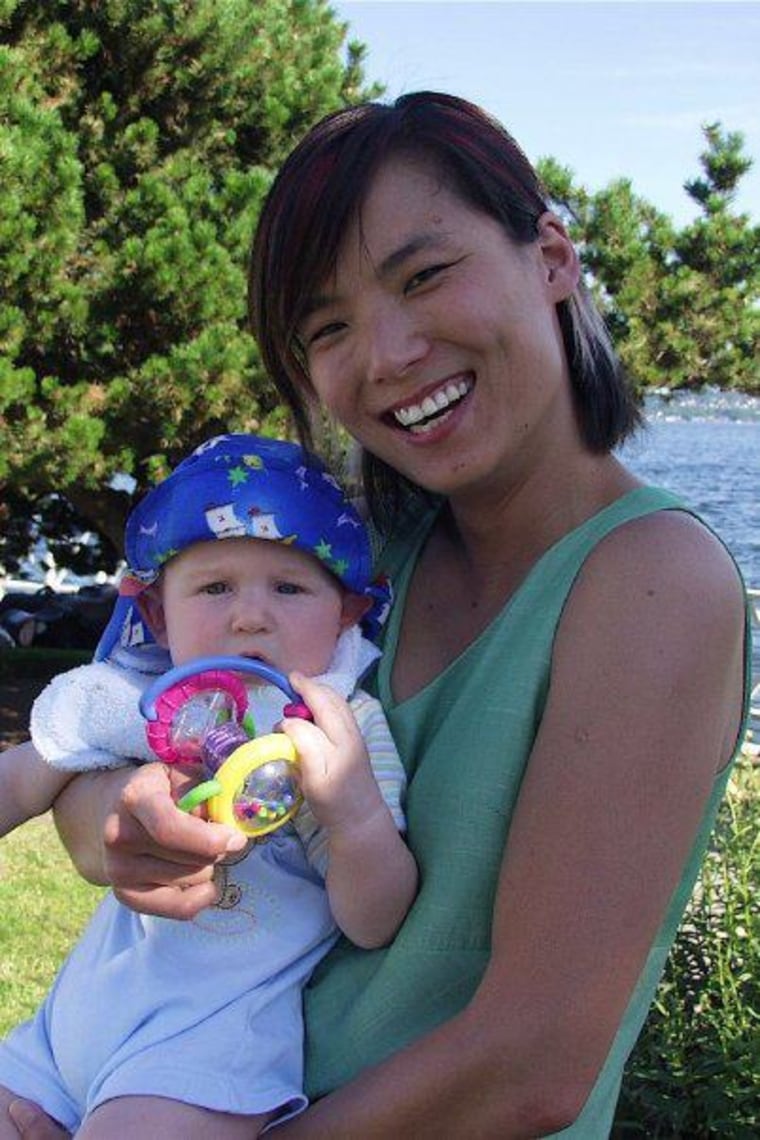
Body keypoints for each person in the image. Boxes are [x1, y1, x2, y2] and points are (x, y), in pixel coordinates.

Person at [5, 92, 751, 1138]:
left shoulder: (652, 581)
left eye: (424, 276)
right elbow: (114, 762)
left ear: (549, 256)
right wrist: (120, 824)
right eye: (329, 326)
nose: (389, 352)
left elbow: (531, 1061)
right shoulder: (344, 565)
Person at [0, 433, 417, 1137]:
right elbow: (21, 781)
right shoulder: (132, 700)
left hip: (204, 1055)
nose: (250, 615)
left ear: (346, 611)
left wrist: (354, 819)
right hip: (63, 1035)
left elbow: (375, 920)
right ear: (159, 613)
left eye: (289, 587)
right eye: (215, 586)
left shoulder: (338, 728)